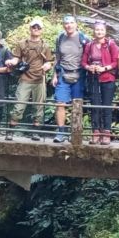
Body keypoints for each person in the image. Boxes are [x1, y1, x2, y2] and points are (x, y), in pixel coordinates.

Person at [5, 18, 54, 141]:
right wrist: (11, 62)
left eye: (38, 28)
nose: (36, 29)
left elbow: (49, 61)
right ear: (30, 28)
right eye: (34, 27)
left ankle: (35, 133)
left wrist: (47, 66)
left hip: (39, 79)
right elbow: (16, 58)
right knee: (19, 106)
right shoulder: (22, 44)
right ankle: (10, 131)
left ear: (42, 30)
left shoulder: (45, 46)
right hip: (25, 78)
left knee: (39, 107)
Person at [51, 15, 89, 143]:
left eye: (72, 23)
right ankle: (61, 132)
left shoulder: (84, 38)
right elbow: (57, 57)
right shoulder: (60, 38)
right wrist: (54, 75)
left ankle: (76, 134)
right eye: (66, 23)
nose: (69, 25)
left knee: (76, 105)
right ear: (63, 25)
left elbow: (89, 56)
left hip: (79, 75)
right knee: (60, 103)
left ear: (76, 24)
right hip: (63, 73)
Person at [82, 20, 119, 145]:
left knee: (106, 106)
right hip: (93, 78)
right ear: (94, 31)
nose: (99, 32)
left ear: (105, 31)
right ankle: (96, 132)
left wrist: (104, 68)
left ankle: (106, 133)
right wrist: (89, 67)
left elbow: (116, 61)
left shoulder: (111, 44)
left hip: (108, 78)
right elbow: (84, 62)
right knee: (95, 105)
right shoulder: (89, 45)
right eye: (97, 29)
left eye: (101, 30)